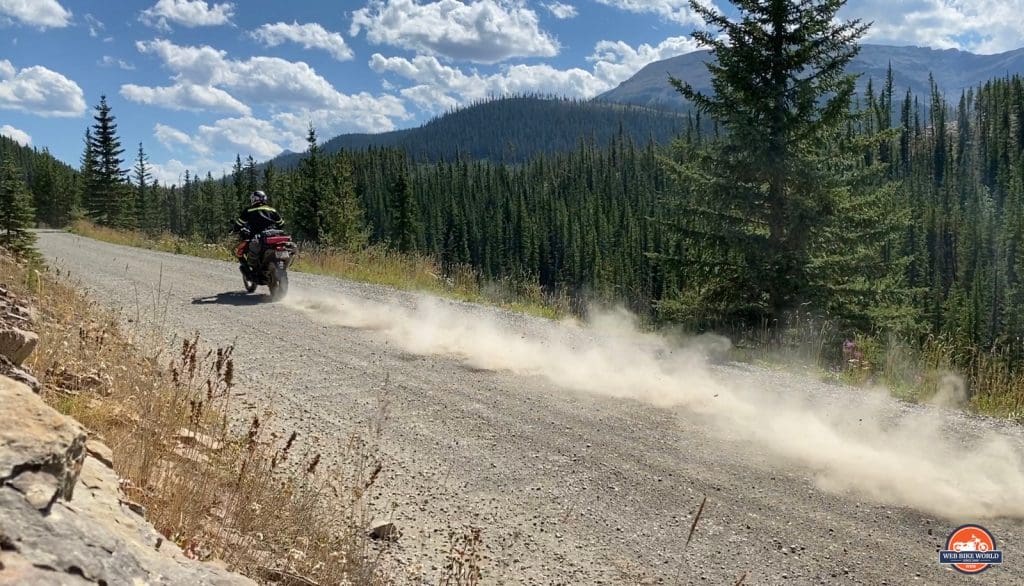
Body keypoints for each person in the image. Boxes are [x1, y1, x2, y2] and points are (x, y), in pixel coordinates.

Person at [233, 190, 285, 267]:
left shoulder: (249, 210)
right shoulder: (272, 210)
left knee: (251, 251)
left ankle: (254, 270)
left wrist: (235, 229)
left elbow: (239, 224)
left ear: (254, 199)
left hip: (258, 236)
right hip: (273, 236)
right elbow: (281, 224)